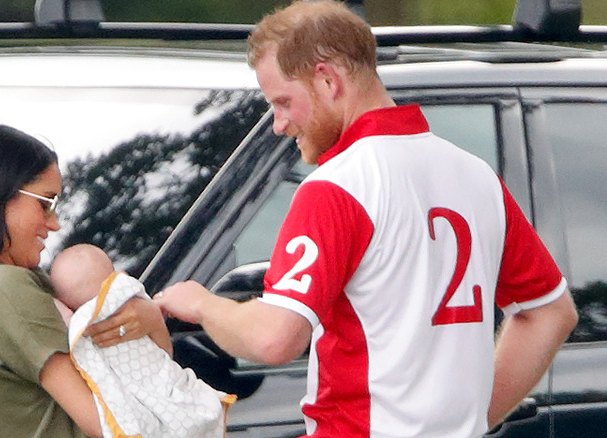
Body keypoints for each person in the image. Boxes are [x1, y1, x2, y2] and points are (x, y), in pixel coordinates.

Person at [153, 1, 579, 437]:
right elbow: (551, 313)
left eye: (283, 102)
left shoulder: (337, 186)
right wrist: (469, 419)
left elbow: (274, 338)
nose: (279, 124)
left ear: (327, 80)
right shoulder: (476, 176)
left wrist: (203, 305)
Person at [0, 125, 171, 438]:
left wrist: (149, 320)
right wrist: (152, 319)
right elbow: (114, 423)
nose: (54, 224)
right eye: (45, 203)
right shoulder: (1, 288)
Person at [49, 244, 235, 438]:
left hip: (140, 418)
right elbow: (165, 354)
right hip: (169, 393)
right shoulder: (135, 300)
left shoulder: (82, 327)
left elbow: (66, 319)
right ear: (115, 275)